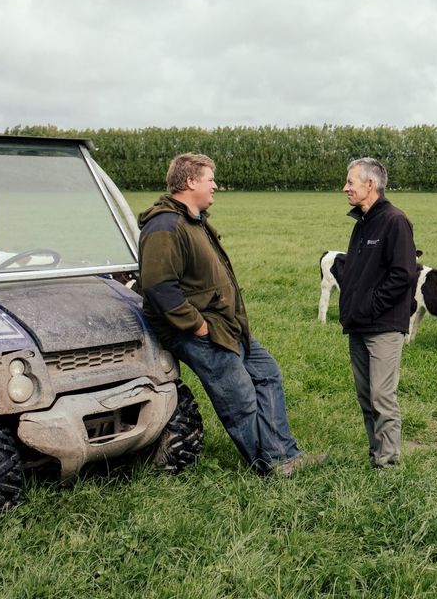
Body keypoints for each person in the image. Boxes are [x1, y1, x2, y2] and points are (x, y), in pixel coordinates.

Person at [138, 153, 322, 478]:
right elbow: (158, 285)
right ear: (190, 181)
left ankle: (283, 452)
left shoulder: (195, 219)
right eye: (210, 180)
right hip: (199, 330)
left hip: (227, 325)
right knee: (239, 399)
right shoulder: (165, 225)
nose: (215, 186)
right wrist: (196, 325)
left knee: (267, 375)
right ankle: (270, 467)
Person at [338, 157, 418, 468]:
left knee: (382, 397)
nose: (345, 188)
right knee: (365, 396)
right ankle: (376, 454)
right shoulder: (362, 222)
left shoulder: (394, 221)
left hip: (383, 326)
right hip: (358, 325)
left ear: (370, 185)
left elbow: (403, 274)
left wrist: (371, 306)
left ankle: (389, 463)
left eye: (350, 182)